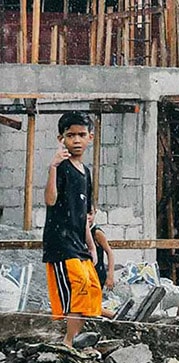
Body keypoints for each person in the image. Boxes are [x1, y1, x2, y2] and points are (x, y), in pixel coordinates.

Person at [43, 112, 102, 348]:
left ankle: (76, 338)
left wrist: (91, 245)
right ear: (61, 138)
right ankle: (68, 341)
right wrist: (52, 168)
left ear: (90, 137)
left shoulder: (85, 172)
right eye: (70, 135)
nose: (76, 140)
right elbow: (50, 200)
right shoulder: (62, 168)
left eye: (81, 135)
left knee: (92, 289)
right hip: (61, 243)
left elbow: (84, 216)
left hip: (79, 242)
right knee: (77, 289)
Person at [87, 207, 116, 319]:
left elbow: (109, 252)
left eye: (90, 213)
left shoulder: (97, 232)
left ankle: (116, 317)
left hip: (97, 274)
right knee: (86, 306)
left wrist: (110, 275)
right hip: (86, 273)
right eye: (85, 214)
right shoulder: (81, 230)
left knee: (90, 307)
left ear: (95, 213)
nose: (88, 217)